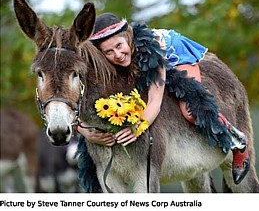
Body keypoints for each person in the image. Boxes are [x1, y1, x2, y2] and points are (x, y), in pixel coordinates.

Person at [76, 13, 249, 185]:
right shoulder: (111, 61)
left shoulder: (150, 50)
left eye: (119, 46)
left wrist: (138, 127)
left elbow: (155, 100)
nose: (118, 54)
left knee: (191, 109)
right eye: (109, 52)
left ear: (127, 38)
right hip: (142, 63)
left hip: (175, 57)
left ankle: (235, 139)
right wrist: (86, 132)